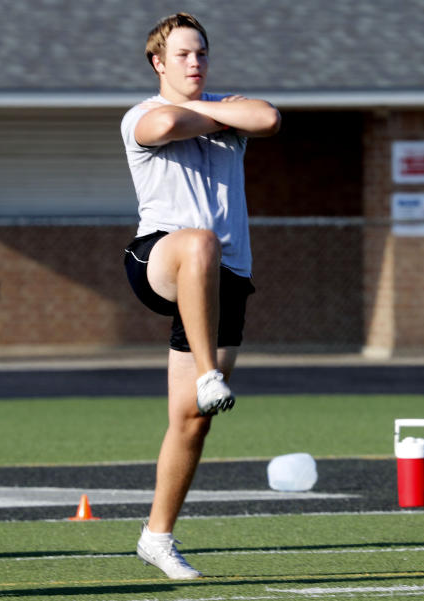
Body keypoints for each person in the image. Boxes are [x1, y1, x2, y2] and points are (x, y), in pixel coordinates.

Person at [120, 13, 280, 579]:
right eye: (183, 55)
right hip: (160, 257)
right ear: (159, 63)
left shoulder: (222, 109)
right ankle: (209, 371)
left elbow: (266, 117)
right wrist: (218, 111)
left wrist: (212, 110)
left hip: (227, 275)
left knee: (191, 421)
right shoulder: (140, 114)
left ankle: (156, 537)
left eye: (202, 54)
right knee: (198, 241)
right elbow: (162, 125)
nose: (195, 63)